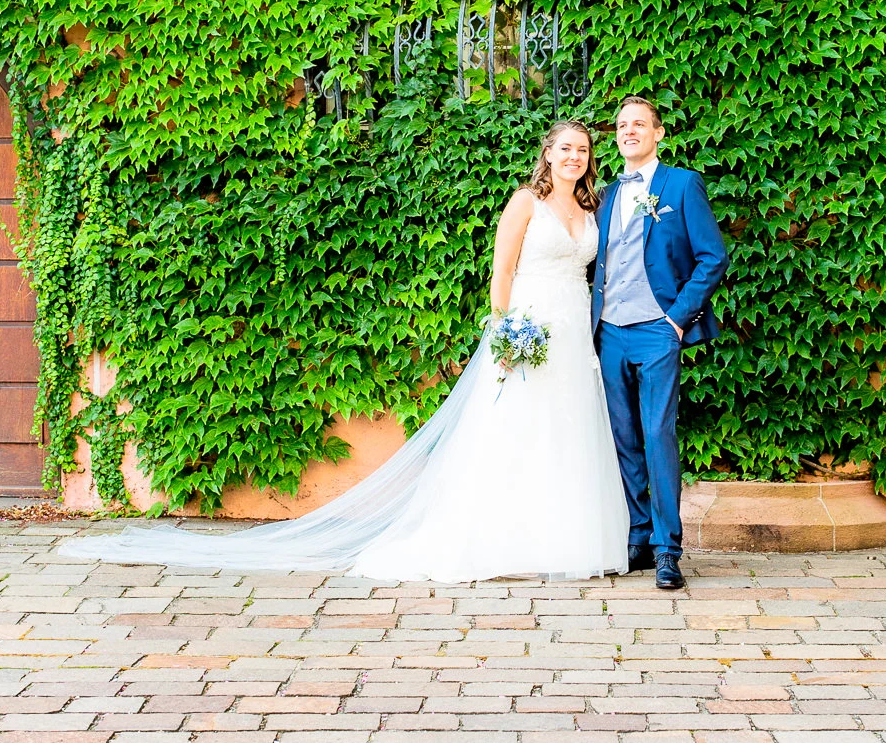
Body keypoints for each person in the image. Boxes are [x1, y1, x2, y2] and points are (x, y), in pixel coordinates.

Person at [61, 119, 632, 581]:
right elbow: (500, 272)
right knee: (515, 433)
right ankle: (506, 539)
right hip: (528, 330)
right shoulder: (523, 202)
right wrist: (504, 333)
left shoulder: (590, 211)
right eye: (565, 148)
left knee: (567, 430)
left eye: (582, 149)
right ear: (547, 153)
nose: (574, 157)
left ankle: (561, 538)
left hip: (573, 331)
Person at [591, 95, 730, 591]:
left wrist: (675, 320)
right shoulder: (606, 194)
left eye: (639, 124)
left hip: (657, 331)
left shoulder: (681, 184)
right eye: (622, 125)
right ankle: (639, 536)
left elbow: (713, 257)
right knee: (623, 439)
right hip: (608, 332)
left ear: (659, 133)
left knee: (657, 435)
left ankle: (670, 549)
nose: (629, 131)